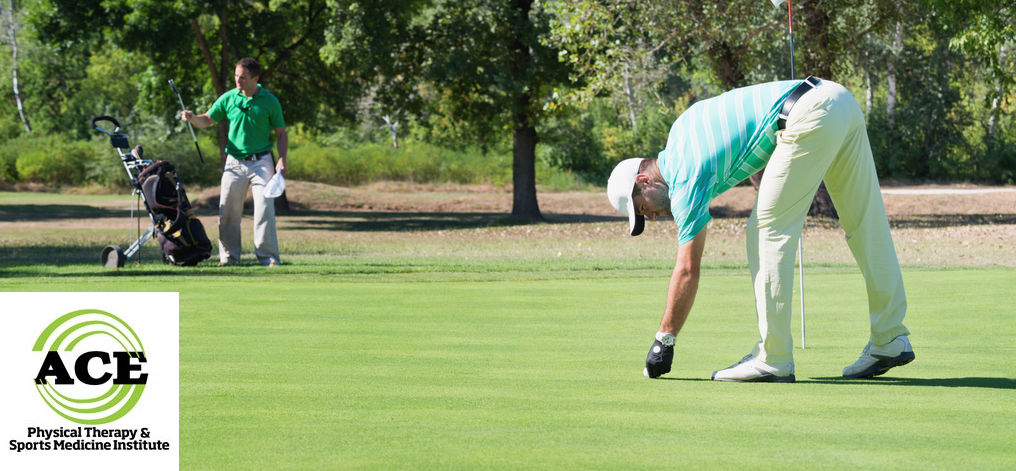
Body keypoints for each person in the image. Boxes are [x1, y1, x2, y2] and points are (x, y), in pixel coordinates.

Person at [607, 76, 913, 382]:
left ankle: (774, 357)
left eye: (642, 208)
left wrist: (665, 340)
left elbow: (688, 270)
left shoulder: (683, 178)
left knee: (765, 230)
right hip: (839, 99)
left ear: (643, 181)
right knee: (866, 225)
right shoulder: (680, 132)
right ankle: (889, 337)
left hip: (806, 112)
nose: (652, 216)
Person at [182, 57, 287, 267]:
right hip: (234, 163)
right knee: (227, 211)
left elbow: (281, 134)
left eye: (243, 77)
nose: (238, 81)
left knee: (264, 209)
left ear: (255, 79)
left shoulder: (270, 101)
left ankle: (268, 258)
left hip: (262, 162)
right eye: (236, 76)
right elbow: (208, 119)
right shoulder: (229, 98)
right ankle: (229, 257)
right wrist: (193, 118)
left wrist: (281, 160)